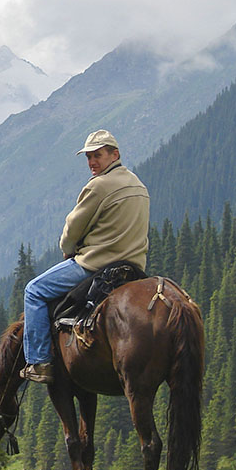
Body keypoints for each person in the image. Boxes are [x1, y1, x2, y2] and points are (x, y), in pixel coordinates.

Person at [20, 129, 150, 383]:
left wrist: (68, 248)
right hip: (134, 267)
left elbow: (71, 231)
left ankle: (39, 362)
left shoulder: (98, 186)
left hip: (96, 265)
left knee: (33, 290)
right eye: (89, 157)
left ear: (115, 154)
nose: (92, 162)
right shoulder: (138, 185)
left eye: (98, 155)